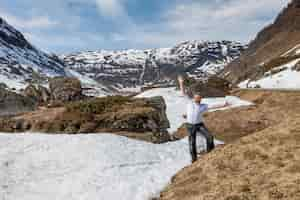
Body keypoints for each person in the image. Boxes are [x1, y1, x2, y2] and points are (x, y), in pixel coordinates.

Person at [177, 76, 230, 163]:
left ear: (200, 99)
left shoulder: (203, 106)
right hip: (190, 126)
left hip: (199, 124)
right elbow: (183, 93)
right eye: (196, 97)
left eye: (199, 98)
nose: (198, 99)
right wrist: (181, 83)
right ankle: (194, 160)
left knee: (209, 137)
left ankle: (210, 153)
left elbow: (213, 106)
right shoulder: (189, 103)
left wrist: (224, 104)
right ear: (194, 98)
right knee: (192, 143)